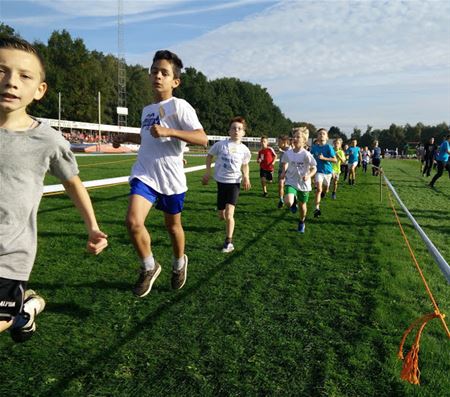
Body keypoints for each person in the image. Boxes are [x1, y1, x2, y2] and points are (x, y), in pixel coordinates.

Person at [0, 37, 108, 342]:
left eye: (24, 75)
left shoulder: (47, 140)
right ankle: (23, 313)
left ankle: (23, 311)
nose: (11, 81)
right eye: (1, 70)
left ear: (39, 90)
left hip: (10, 252)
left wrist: (93, 228)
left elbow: (72, 183)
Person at [113, 50, 207, 297]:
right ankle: (149, 266)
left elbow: (202, 138)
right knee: (133, 222)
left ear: (175, 81)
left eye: (164, 73)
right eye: (154, 71)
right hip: (145, 174)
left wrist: (170, 132)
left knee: (173, 227)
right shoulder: (147, 110)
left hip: (171, 178)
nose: (157, 76)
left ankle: (179, 263)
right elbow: (147, 137)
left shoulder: (180, 106)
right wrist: (127, 137)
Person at [202, 117, 251, 253]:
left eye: (239, 129)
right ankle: (225, 221)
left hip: (234, 183)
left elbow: (245, 165)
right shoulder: (220, 145)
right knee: (221, 215)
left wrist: (246, 177)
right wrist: (207, 172)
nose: (236, 131)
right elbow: (209, 156)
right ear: (229, 131)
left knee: (230, 214)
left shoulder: (244, 150)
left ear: (243, 133)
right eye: (234, 128)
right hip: (220, 182)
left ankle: (228, 242)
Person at [280, 127, 317, 233]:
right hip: (291, 181)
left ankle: (301, 221)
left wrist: (309, 175)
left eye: (298, 137)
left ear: (304, 140)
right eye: (293, 137)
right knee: (288, 201)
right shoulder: (288, 153)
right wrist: (283, 172)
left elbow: (314, 168)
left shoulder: (306, 154)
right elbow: (285, 162)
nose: (295, 138)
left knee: (302, 206)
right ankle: (293, 202)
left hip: (303, 183)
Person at [310, 128, 336, 217]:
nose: (321, 135)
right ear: (317, 137)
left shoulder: (329, 147)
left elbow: (335, 160)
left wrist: (324, 158)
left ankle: (324, 192)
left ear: (327, 137)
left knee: (325, 189)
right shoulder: (314, 148)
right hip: (318, 171)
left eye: (323, 134)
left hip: (328, 172)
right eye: (320, 134)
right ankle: (317, 209)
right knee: (318, 189)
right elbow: (310, 157)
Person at [276, 134, 291, 208]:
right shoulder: (281, 149)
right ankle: (281, 200)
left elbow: (289, 159)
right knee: (280, 185)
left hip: (290, 172)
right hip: (281, 170)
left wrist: (282, 151)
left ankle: (293, 200)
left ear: (284, 142)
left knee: (289, 188)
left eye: (279, 141)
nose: (278, 143)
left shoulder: (290, 149)